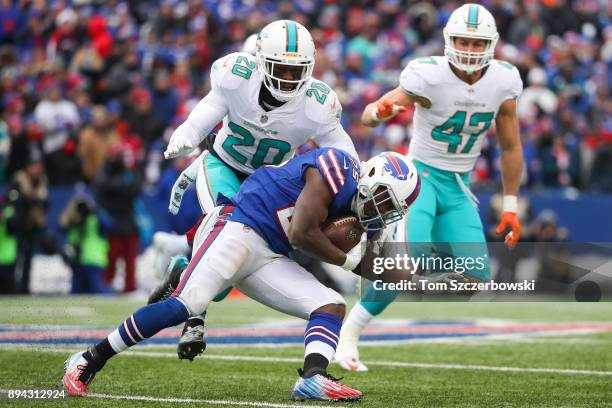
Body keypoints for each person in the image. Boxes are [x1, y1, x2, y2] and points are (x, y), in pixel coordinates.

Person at [62, 148, 420, 402]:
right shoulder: (338, 166)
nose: (383, 211)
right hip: (237, 225)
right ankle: (88, 359)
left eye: (393, 210)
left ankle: (312, 379)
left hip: (268, 255)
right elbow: (302, 234)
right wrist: (349, 261)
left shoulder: (358, 220)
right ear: (371, 176)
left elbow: (368, 262)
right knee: (186, 304)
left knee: (330, 303)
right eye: (386, 200)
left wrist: (404, 274)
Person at [335, 3, 524, 372]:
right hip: (419, 179)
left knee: (473, 278)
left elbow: (511, 145)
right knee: (404, 264)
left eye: (477, 43)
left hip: (457, 186)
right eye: (462, 42)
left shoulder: (504, 80)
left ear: (491, 44)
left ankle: (384, 265)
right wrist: (381, 111)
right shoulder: (428, 74)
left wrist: (512, 204)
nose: (469, 50)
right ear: (448, 41)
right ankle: (349, 333)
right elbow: (371, 114)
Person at [161, 20, 357, 359]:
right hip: (223, 166)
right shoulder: (236, 76)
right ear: (261, 61)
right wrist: (189, 132)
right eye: (281, 68)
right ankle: (195, 317)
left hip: (267, 187)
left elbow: (344, 155)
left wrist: (359, 183)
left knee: (230, 267)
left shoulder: (317, 103)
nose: (289, 78)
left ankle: (182, 268)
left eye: (298, 71)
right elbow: (210, 106)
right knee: (219, 244)